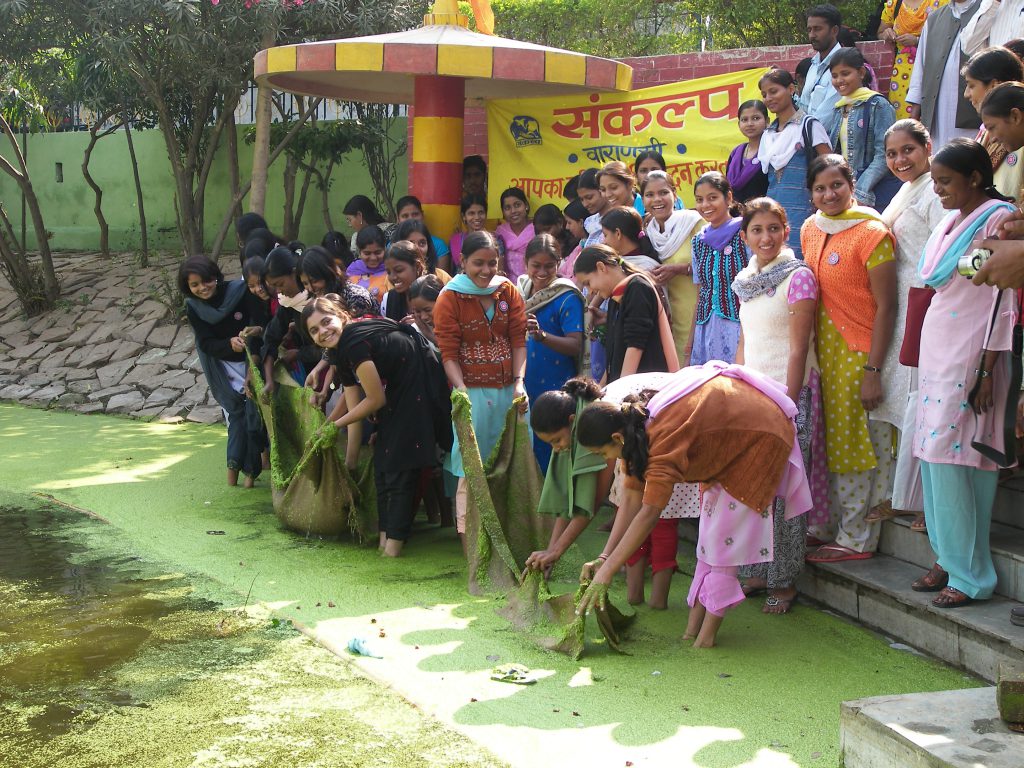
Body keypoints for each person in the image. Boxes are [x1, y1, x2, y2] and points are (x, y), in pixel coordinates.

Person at [575, 363, 812, 647]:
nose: (605, 461)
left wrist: (607, 572)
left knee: (724, 546)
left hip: (758, 438)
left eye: (602, 453)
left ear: (615, 438)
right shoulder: (631, 434)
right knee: (708, 542)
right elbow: (631, 500)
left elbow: (650, 513)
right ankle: (691, 632)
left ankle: (706, 639)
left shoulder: (659, 441)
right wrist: (604, 559)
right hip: (724, 442)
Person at [912, 138, 1018, 606]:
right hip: (939, 346)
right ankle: (947, 557)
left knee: (957, 459)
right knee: (933, 458)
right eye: (935, 181)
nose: (938, 190)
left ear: (975, 177)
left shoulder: (997, 218)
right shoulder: (950, 222)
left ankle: (970, 575)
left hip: (974, 349)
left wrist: (987, 367)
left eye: (946, 181)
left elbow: (1002, 298)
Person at [801, 155, 898, 563]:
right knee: (824, 441)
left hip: (860, 351)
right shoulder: (810, 228)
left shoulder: (873, 233)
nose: (829, 195)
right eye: (820, 188)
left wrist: (873, 370)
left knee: (856, 444)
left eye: (836, 185)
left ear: (851, 183)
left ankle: (857, 537)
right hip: (821, 352)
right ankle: (825, 523)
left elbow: (888, 306)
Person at [732, 198, 827, 613]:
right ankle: (755, 570)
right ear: (745, 236)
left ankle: (784, 581)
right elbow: (744, 342)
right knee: (752, 488)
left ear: (785, 231)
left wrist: (787, 405)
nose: (766, 237)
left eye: (774, 228)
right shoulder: (745, 279)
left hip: (790, 397)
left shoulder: (799, 276)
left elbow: (798, 347)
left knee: (786, 492)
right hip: (751, 397)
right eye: (757, 230)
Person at [302, 295, 448, 557]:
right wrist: (350, 463)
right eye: (315, 330)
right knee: (382, 468)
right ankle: (384, 545)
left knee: (399, 471)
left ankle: (392, 551)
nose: (323, 332)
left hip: (417, 386)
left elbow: (375, 399)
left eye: (326, 322)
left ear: (341, 316)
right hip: (397, 390)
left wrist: (334, 426)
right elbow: (352, 401)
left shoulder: (353, 343)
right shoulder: (340, 351)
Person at [866, 120, 947, 533]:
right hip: (900, 304)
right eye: (892, 154)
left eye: (908, 150)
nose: (900, 160)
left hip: (926, 302)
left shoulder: (938, 188)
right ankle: (907, 496)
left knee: (921, 401)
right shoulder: (905, 188)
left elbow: (944, 248)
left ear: (927, 146)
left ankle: (923, 502)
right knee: (906, 402)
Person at [433, 231, 529, 545]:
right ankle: (471, 543)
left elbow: (518, 341)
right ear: (462, 261)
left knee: (509, 464)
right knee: (469, 468)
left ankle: (508, 538)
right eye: (478, 263)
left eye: (492, 263)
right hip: (470, 393)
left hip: (508, 392)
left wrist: (519, 383)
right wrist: (461, 391)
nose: (486, 270)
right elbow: (448, 353)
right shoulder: (449, 297)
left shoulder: (508, 291)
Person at [179, 255, 265, 487]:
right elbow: (205, 343)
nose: (202, 288)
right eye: (194, 285)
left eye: (205, 281)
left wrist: (250, 346)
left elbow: (260, 322)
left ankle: (255, 468)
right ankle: (235, 473)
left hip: (253, 361)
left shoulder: (239, 291)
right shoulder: (194, 307)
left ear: (215, 277)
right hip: (221, 368)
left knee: (255, 416)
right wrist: (229, 344)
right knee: (235, 416)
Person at [526, 379, 614, 577]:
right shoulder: (571, 430)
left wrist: (556, 552)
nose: (556, 448)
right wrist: (550, 554)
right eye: (550, 444)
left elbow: (592, 501)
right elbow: (569, 502)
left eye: (556, 440)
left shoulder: (593, 426)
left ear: (573, 420)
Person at [517, 235, 585, 471]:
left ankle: (558, 501)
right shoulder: (521, 292)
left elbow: (575, 344)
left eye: (549, 266)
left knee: (554, 441)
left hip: (557, 383)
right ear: (526, 264)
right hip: (526, 382)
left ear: (559, 264)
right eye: (536, 265)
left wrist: (542, 336)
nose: (542, 272)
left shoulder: (566, 296)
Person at [573, 245, 678, 384]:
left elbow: (635, 345)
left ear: (601, 267)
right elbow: (612, 360)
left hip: (642, 390)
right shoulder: (615, 298)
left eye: (588, 283)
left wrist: (619, 393)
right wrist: (601, 392)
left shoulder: (637, 288)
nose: (590, 291)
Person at [758, 68, 833, 258]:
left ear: (791, 89)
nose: (768, 98)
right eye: (764, 94)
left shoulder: (809, 126)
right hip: (774, 216)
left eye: (774, 91)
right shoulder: (768, 135)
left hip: (805, 214)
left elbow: (832, 168)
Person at [824, 47, 902, 210]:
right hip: (849, 193)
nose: (839, 80)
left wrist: (859, 191)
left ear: (861, 72)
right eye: (834, 76)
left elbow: (884, 153)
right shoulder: (839, 108)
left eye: (845, 73)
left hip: (872, 193)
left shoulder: (878, 105)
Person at [644, 171, 706, 365]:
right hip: (669, 320)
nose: (657, 200)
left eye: (663, 192)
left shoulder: (694, 223)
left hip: (700, 313)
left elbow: (715, 266)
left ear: (674, 194)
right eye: (649, 195)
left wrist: (681, 269)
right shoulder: (648, 232)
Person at [688, 172, 750, 366]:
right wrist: (689, 343)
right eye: (700, 200)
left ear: (729, 198)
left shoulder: (745, 233)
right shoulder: (698, 241)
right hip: (705, 327)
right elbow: (701, 293)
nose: (705, 205)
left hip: (740, 326)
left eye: (712, 197)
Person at [905, 0, 984, 150]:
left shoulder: (988, 11)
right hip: (937, 119)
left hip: (975, 120)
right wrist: (914, 119)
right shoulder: (934, 19)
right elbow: (920, 72)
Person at [259, 246, 324, 393]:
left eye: (280, 284)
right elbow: (271, 338)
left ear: (295, 273)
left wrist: (298, 354)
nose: (278, 291)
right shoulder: (289, 303)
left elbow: (328, 348)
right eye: (274, 287)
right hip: (312, 373)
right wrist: (269, 380)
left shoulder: (322, 299)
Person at [962, 46, 1024, 198]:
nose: (966, 94)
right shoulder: (987, 132)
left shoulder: (1015, 135)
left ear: (994, 86)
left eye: (971, 85)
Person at [879, 0, 950, 119]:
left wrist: (918, 41)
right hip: (901, 74)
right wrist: (886, 33)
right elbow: (880, 32)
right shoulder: (895, 4)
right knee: (902, 121)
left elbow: (948, 34)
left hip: (933, 68)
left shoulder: (943, 3)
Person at [800, 4, 845, 122]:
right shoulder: (813, 65)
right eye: (809, 30)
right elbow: (803, 106)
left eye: (817, 29)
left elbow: (826, 117)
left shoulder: (844, 65)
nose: (812, 35)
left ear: (834, 31)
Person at [726, 100, 771, 202]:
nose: (750, 124)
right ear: (739, 124)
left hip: (764, 212)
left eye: (756, 118)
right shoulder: (736, 153)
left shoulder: (772, 151)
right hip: (737, 213)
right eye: (744, 120)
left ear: (767, 121)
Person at [395, 195, 452, 268]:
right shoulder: (392, 245)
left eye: (415, 214)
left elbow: (442, 278)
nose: (411, 219)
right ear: (398, 218)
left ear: (422, 215)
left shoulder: (439, 246)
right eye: (405, 216)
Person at [494, 187, 535, 281]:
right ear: (503, 212)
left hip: (534, 283)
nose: (513, 211)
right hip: (508, 285)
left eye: (517, 205)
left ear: (526, 206)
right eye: (507, 208)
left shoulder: (536, 229)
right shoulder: (500, 232)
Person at [381, 240, 427, 322]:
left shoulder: (436, 296)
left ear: (417, 267)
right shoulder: (388, 300)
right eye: (389, 272)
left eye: (399, 270)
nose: (393, 277)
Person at [633, 150, 685, 215]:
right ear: (636, 175)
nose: (649, 173)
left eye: (655, 169)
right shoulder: (633, 202)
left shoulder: (676, 202)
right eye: (643, 171)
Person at [449, 194, 493, 270]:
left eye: (481, 212)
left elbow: (498, 270)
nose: (477, 217)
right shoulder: (456, 240)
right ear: (464, 216)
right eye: (471, 213)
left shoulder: (495, 240)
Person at [350, 225, 392, 302]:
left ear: (385, 248)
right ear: (359, 252)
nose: (373, 258)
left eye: (378, 252)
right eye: (367, 253)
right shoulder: (353, 270)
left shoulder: (392, 269)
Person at [559, 198, 589, 277]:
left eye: (569, 222)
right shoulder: (581, 245)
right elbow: (562, 270)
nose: (566, 227)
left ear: (581, 222)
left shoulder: (591, 247)